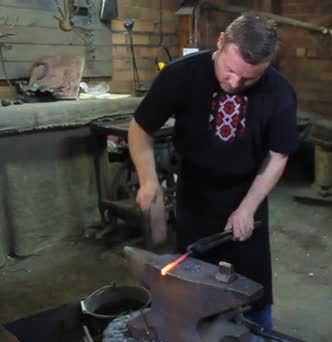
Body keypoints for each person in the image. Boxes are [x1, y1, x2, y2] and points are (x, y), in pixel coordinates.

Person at [127, 14, 297, 330]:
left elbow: (277, 156)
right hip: (194, 195)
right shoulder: (180, 75)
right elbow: (140, 128)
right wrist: (149, 179)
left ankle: (258, 333)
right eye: (230, 71)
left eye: (249, 79)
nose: (235, 84)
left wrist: (247, 208)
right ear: (220, 41)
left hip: (247, 195)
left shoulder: (279, 92)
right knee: (187, 284)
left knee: (253, 290)